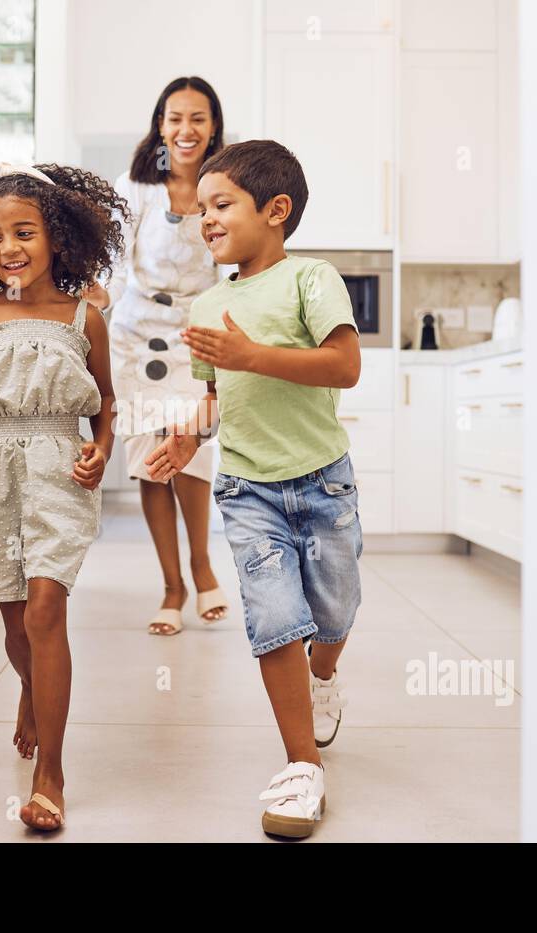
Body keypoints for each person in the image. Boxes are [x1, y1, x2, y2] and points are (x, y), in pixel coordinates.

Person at [146, 140, 363, 839]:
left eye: (221, 204)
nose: (205, 219)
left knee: (335, 607)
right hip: (247, 489)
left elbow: (343, 365)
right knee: (274, 617)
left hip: (323, 480)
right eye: (201, 208)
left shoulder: (311, 279)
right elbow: (220, 397)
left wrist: (252, 355)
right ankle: (302, 765)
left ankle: (323, 670)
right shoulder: (209, 303)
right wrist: (187, 434)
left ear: (276, 211)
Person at [0, 162, 127, 832]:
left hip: (59, 467)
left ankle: (52, 774)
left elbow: (107, 405)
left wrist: (99, 447)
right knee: (14, 625)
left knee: (45, 611)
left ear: (58, 238)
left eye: (24, 232)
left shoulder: (84, 317)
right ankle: (29, 690)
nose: (8, 247)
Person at [83, 76, 231, 636]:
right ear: (160, 125)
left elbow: (230, 260)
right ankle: (172, 585)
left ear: (214, 124)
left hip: (195, 335)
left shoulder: (225, 183)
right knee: (151, 461)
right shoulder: (137, 185)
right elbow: (117, 263)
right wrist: (101, 296)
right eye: (174, 118)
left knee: (190, 451)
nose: (185, 130)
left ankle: (201, 562)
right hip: (137, 337)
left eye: (197, 118)